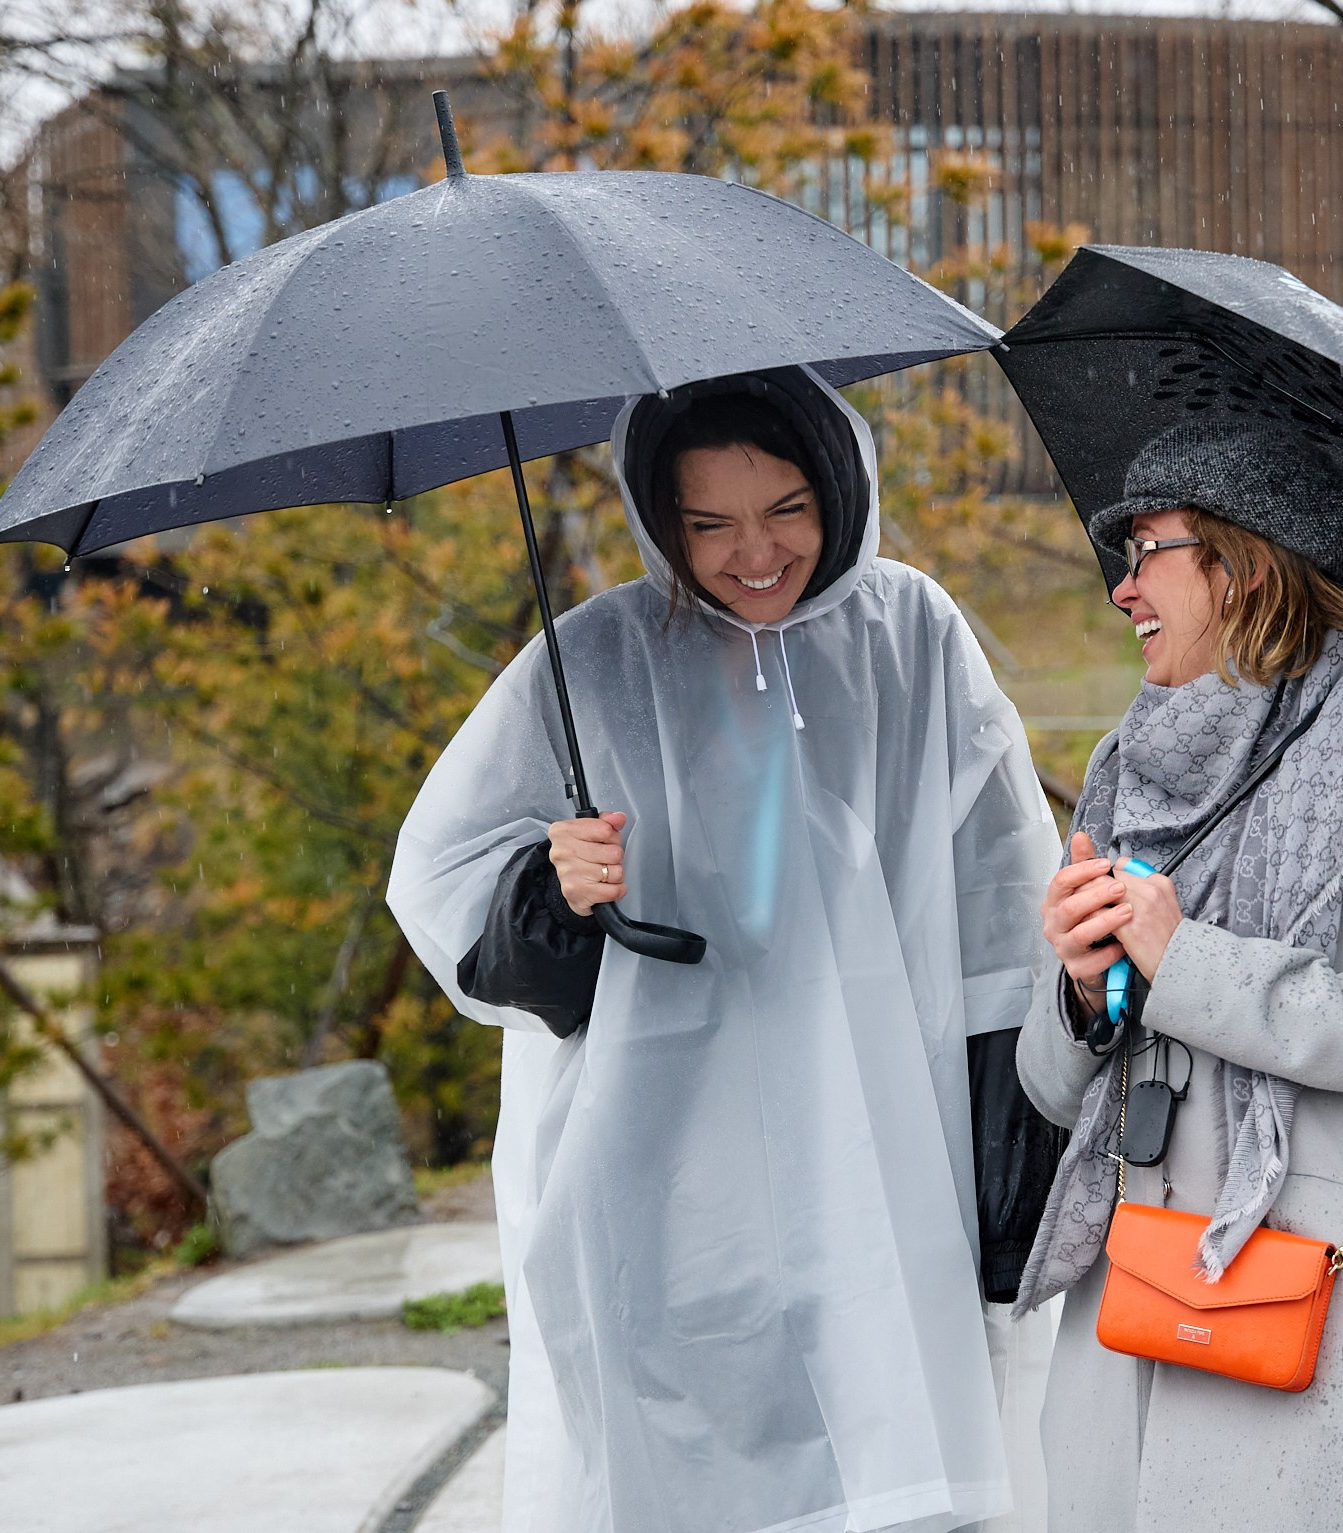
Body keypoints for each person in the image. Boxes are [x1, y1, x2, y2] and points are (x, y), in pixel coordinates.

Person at [387, 367, 1065, 1533]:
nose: (754, 553)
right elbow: (446, 891)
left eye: (787, 509)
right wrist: (553, 889)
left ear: (842, 492)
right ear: (660, 522)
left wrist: (1013, 1174)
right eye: (708, 524)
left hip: (885, 1144)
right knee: (689, 1467)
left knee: (894, 1455)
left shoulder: (910, 636)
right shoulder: (594, 661)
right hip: (664, 1167)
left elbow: (1004, 901)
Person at [1011, 421, 1343, 1531]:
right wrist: (1084, 991)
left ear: (1237, 564)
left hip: (1324, 1303)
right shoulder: (1122, 762)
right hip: (1137, 1294)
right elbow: (1051, 1088)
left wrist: (1182, 961)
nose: (1120, 589)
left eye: (1145, 552)